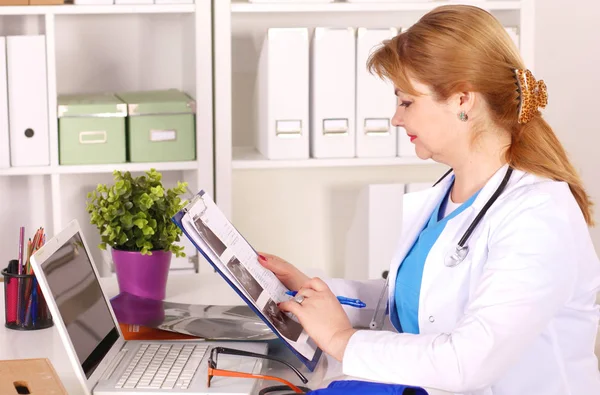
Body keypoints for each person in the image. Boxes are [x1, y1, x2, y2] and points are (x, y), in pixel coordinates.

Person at [258, 5, 600, 395]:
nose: (396, 119)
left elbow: (467, 362)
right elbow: (412, 303)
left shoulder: (540, 215)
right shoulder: (449, 193)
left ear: (462, 101)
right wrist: (312, 289)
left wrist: (340, 340)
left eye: (406, 102)